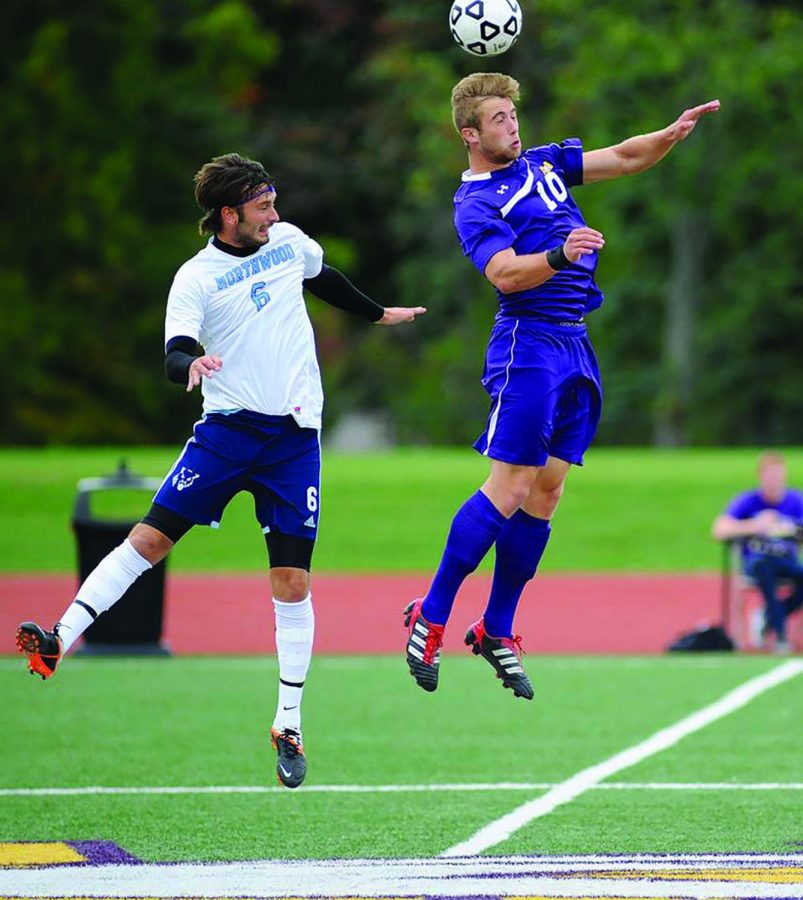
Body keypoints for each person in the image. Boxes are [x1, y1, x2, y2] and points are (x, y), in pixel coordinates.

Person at [17, 152, 426, 788]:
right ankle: (58, 638)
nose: (276, 213)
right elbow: (175, 349)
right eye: (263, 205)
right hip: (228, 434)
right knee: (148, 540)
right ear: (229, 213)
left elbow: (323, 276)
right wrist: (190, 367)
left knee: (292, 581)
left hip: (294, 441)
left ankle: (288, 722)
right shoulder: (197, 277)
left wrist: (376, 314)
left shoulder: (287, 241)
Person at [404, 72, 719, 698]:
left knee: (545, 493)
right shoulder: (475, 202)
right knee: (511, 483)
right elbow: (503, 274)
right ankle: (430, 615)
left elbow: (628, 156)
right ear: (469, 134)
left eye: (513, 115)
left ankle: (497, 628)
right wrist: (560, 255)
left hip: (576, 342)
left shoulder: (544, 163)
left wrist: (672, 133)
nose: (513, 125)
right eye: (498, 119)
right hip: (529, 343)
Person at [713, 451, 803, 655]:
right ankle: (780, 635)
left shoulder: (796, 501)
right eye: (770, 477)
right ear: (761, 477)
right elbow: (719, 530)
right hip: (757, 563)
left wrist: (791, 529)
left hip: (786, 562)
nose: (774, 482)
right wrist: (755, 526)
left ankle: (768, 619)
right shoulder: (748, 501)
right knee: (764, 567)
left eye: (778, 477)